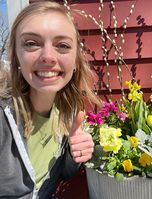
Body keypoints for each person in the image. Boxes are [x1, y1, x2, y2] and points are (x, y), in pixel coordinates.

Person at [0, 1, 100, 198]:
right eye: (31, 43)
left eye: (62, 45)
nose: (47, 56)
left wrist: (72, 154)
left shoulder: (67, 111)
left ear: (75, 62)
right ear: (16, 56)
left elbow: (61, 174)